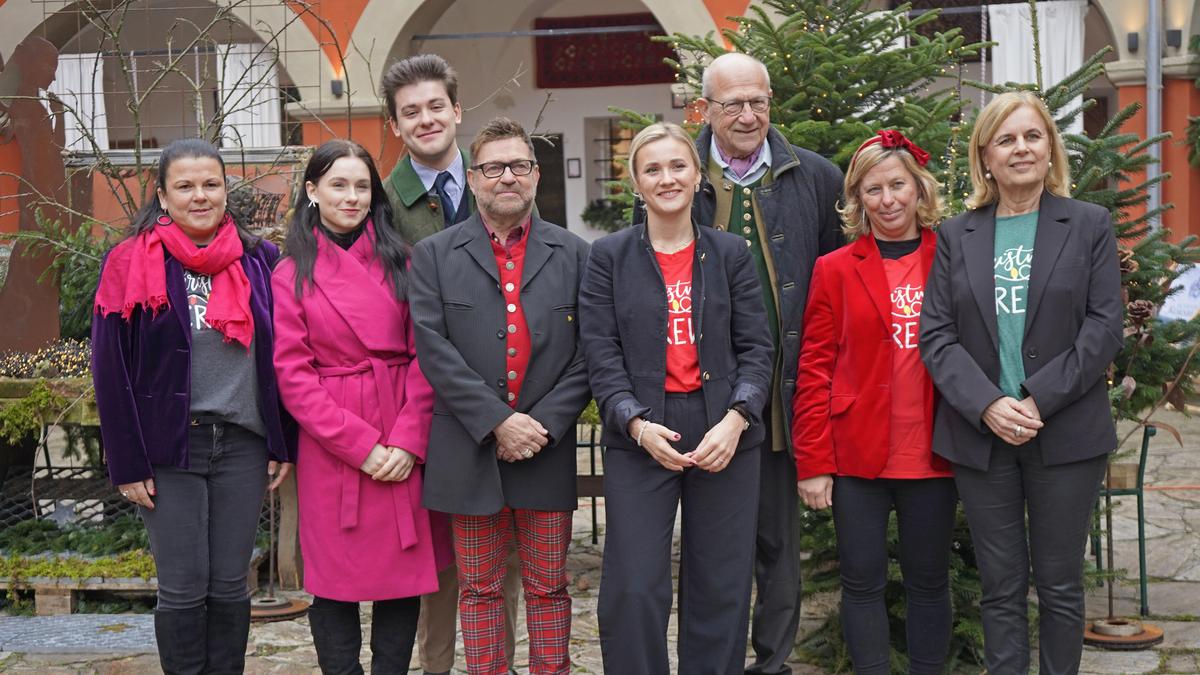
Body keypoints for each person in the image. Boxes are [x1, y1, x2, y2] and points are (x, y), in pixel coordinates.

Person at [919, 91, 1124, 674]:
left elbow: (1105, 326)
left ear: (1050, 147)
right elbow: (936, 336)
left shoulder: (1088, 225)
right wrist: (987, 404)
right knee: (1000, 586)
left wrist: (1038, 398)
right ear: (986, 156)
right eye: (1006, 139)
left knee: (1060, 586)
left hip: (1066, 433)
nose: (1021, 149)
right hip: (983, 437)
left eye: (1033, 136)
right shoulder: (958, 234)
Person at [92, 138, 293, 674]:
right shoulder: (127, 263)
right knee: (182, 587)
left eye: (211, 184)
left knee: (231, 583)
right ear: (162, 195)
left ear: (226, 190)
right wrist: (126, 462)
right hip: (168, 450)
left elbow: (281, 356)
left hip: (242, 446)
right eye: (185, 186)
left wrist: (281, 439)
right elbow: (109, 371)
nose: (199, 196)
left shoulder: (260, 260)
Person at [581, 121, 774, 674]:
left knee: (721, 583)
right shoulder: (608, 257)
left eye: (677, 166)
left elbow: (757, 347)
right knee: (635, 586)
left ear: (697, 176)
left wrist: (737, 419)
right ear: (635, 184)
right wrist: (634, 424)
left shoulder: (730, 252)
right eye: (652, 169)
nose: (667, 178)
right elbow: (601, 355)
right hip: (642, 429)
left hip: (723, 429)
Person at [409, 117, 591, 675]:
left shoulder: (576, 253)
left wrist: (539, 425)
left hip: (546, 447)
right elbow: (432, 348)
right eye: (492, 167)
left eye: (518, 165)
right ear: (474, 176)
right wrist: (496, 422)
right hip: (468, 447)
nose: (505, 177)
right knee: (480, 588)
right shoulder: (435, 255)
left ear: (536, 176)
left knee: (548, 588)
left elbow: (591, 352)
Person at [270, 139, 448, 673]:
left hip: (401, 426)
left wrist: (407, 440)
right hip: (334, 445)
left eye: (362, 186)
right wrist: (361, 445)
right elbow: (293, 376)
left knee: (401, 580)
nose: (351, 197)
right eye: (338, 185)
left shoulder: (406, 262)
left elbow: (428, 355)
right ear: (312, 191)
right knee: (334, 584)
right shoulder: (289, 273)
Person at [692, 52, 844, 674]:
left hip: (784, 390)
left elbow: (838, 285)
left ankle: (773, 661)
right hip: (701, 393)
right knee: (714, 545)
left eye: (759, 101)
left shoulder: (817, 178)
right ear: (706, 110)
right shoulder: (679, 174)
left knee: (778, 543)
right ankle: (718, 660)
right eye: (733, 104)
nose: (749, 114)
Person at [380, 52, 523, 675]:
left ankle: (498, 663)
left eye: (436, 106)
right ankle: (438, 665)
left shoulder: (502, 178)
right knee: (443, 556)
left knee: (511, 548)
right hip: (435, 397)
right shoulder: (385, 202)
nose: (426, 119)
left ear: (457, 111)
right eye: (411, 112)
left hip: (513, 390)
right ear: (395, 126)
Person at [792, 130, 956, 674]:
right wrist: (813, 462)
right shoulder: (835, 268)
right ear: (856, 199)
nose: (887, 200)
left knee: (929, 581)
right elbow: (814, 369)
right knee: (861, 583)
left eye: (897, 186)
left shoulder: (951, 255)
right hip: (857, 454)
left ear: (919, 189)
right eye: (872, 190)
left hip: (933, 452)